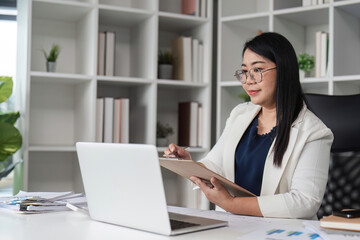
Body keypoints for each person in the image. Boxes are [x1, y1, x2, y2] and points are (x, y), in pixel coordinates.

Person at [164, 32, 334, 220]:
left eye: (257, 70)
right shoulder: (240, 114)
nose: (248, 80)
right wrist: (189, 164)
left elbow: (304, 202)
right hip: (235, 227)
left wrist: (231, 204)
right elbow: (215, 166)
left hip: (279, 232)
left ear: (284, 71)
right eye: (245, 72)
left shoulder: (314, 132)